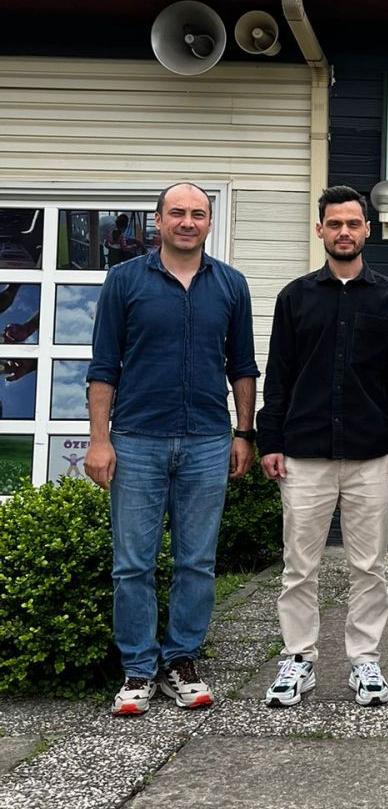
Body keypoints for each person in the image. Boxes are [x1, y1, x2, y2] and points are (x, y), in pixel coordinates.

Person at [86, 182, 258, 716]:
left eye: (198, 214)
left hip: (207, 440)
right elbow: (103, 365)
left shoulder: (230, 284)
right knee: (132, 564)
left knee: (197, 562)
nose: (187, 222)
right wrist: (99, 439)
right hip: (137, 439)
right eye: (177, 213)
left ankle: (182, 660)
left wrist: (244, 432)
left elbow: (242, 366)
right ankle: (138, 668)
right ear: (157, 221)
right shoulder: (124, 280)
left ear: (209, 223)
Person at [258, 187, 388, 709]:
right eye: (335, 223)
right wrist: (270, 440)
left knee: (369, 566)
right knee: (299, 566)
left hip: (371, 455)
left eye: (353, 223)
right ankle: (298, 659)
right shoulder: (294, 298)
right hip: (304, 455)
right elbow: (278, 375)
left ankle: (364, 659)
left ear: (367, 229)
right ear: (320, 229)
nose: (344, 232)